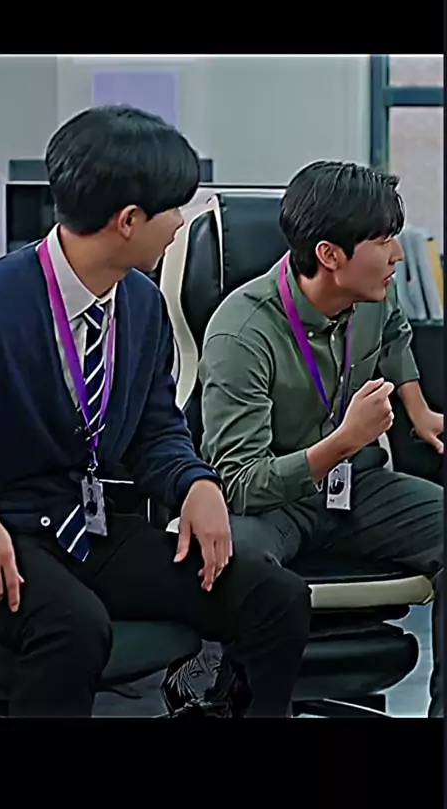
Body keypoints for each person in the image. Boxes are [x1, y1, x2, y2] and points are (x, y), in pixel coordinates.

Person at [0, 106, 311, 718]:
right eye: (173, 209)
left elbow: (156, 428)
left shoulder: (142, 304)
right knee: (73, 627)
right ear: (128, 221)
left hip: (84, 526)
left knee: (273, 596)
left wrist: (195, 484)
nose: (181, 224)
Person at [199, 161, 443, 717]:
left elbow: (396, 336)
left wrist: (419, 409)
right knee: (241, 563)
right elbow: (239, 484)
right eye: (383, 242)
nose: (398, 256)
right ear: (330, 255)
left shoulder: (373, 298)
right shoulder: (243, 332)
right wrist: (343, 441)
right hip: (274, 502)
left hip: (356, 488)